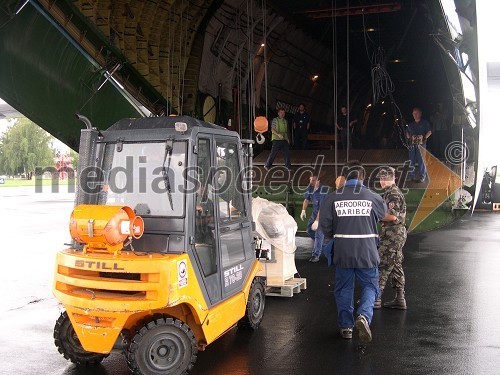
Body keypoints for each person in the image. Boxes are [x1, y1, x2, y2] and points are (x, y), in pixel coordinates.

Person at [319, 160, 387, 342]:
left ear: (346, 177)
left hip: (343, 252)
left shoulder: (333, 197)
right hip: (367, 252)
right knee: (370, 286)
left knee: (343, 289)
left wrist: (337, 234)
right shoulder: (373, 197)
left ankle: (346, 327)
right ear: (362, 177)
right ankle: (364, 316)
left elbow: (324, 225)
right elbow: (382, 215)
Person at [375, 167, 407, 310]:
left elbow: (392, 216)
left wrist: (374, 214)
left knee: (383, 264)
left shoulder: (392, 194)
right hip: (396, 234)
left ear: (388, 179)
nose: (381, 181)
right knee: (396, 264)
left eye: (382, 178)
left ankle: (376, 298)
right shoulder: (393, 192)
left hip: (392, 235)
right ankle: (400, 299)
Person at [300, 175, 329, 263]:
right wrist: (303, 210)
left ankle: (316, 255)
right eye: (310, 180)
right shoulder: (311, 187)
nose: (311, 182)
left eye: (313, 180)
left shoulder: (323, 191)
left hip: (323, 214)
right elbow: (306, 199)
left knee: (318, 234)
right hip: (314, 213)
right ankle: (323, 246)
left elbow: (322, 208)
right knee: (309, 230)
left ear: (318, 181)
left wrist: (317, 221)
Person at [406, 107, 432, 182]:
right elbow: (407, 133)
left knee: (421, 160)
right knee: (411, 160)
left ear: (420, 113)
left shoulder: (424, 123)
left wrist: (424, 138)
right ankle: (411, 176)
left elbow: (429, 132)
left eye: (417, 113)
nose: (415, 115)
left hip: (421, 145)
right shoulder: (411, 125)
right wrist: (409, 136)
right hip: (412, 145)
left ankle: (422, 176)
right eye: (414, 113)